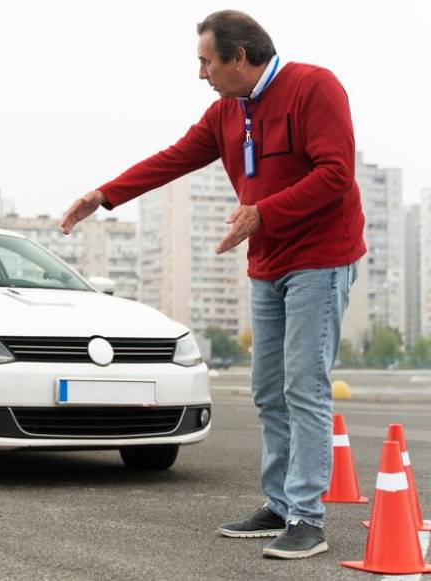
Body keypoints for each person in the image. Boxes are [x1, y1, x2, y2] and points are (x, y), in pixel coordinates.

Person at [60, 10, 365, 559]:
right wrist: (104, 196)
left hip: (321, 259)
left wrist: (262, 213)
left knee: (305, 386)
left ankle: (306, 517)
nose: (201, 73)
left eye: (206, 61)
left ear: (240, 57)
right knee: (267, 391)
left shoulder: (313, 87)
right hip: (268, 263)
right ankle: (278, 502)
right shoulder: (227, 111)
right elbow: (173, 159)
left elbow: (336, 172)